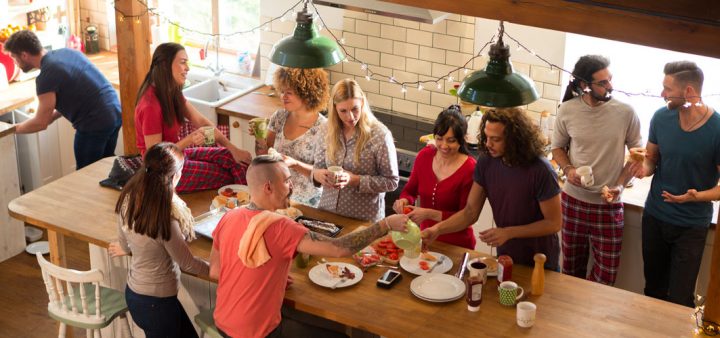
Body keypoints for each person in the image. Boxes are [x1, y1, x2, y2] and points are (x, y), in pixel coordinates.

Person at [209, 155, 408, 338]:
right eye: (287, 181)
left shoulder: (228, 217)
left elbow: (215, 272)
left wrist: (269, 278)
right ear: (268, 188)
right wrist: (385, 224)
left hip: (222, 324)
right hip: (258, 333)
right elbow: (339, 248)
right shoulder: (281, 227)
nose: (292, 185)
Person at [422, 107, 562, 269]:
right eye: (487, 137)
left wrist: (508, 232)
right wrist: (437, 230)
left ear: (515, 139)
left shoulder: (541, 170)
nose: (488, 144)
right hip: (506, 256)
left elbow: (554, 223)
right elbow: (470, 212)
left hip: (540, 260)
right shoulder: (487, 162)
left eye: (496, 139)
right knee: (503, 294)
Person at [632, 61, 720, 307]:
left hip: (691, 226)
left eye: (667, 89)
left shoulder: (717, 129)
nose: (662, 94)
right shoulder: (661, 118)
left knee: (681, 299)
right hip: (655, 217)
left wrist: (696, 196)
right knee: (653, 290)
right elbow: (652, 161)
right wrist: (642, 169)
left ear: (689, 91)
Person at [551, 55, 642, 285]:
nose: (610, 86)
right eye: (603, 82)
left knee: (606, 278)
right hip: (572, 202)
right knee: (571, 272)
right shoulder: (567, 110)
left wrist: (619, 186)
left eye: (610, 79)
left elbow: (636, 156)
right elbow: (557, 149)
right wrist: (569, 169)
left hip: (608, 206)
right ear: (584, 85)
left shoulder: (626, 113)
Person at [108, 142, 209, 338]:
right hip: (157, 304)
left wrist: (129, 249)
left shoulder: (128, 199)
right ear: (175, 176)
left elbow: (124, 242)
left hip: (136, 295)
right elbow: (187, 263)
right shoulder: (165, 218)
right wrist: (220, 271)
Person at [135, 42, 252, 193]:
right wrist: (190, 140)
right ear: (165, 65)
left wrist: (233, 148)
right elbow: (155, 159)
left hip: (179, 156)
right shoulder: (150, 106)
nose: (188, 68)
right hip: (164, 172)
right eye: (183, 62)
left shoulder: (172, 92)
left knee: (232, 158)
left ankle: (249, 206)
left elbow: (202, 122)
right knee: (226, 175)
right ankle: (246, 208)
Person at [4, 30, 121, 169]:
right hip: (114, 112)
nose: (15, 63)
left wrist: (11, 130)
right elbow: (78, 92)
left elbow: (40, 123)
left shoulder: (46, 76)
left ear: (24, 55)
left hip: (94, 123)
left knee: (86, 175)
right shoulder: (67, 53)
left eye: (14, 58)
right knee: (106, 169)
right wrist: (52, 116)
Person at [312, 79, 399, 222]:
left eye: (355, 109)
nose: (350, 116)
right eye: (343, 111)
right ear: (335, 108)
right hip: (327, 214)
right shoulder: (325, 129)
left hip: (363, 220)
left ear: (363, 103)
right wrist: (318, 175)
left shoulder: (379, 135)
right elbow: (317, 169)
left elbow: (392, 182)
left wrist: (355, 180)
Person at [392, 105, 477, 249]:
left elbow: (466, 217)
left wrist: (429, 214)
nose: (444, 145)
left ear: (462, 139)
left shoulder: (470, 169)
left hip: (458, 245)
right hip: (425, 239)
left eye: (451, 140)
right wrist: (404, 201)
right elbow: (410, 191)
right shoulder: (424, 156)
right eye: (440, 138)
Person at [254, 67, 329, 206]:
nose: (283, 97)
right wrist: (259, 137)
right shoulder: (279, 117)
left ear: (307, 93)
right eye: (282, 91)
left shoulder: (324, 128)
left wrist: (294, 163)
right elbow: (263, 156)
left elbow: (322, 175)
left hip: (306, 203)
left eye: (289, 92)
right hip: (275, 197)